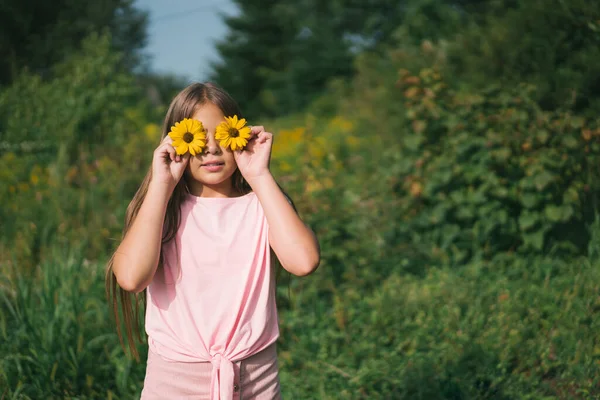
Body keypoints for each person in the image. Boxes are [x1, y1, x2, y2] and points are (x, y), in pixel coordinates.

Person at [105, 82, 320, 399]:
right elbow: (131, 278)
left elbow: (303, 262)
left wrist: (259, 175)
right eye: (195, 137)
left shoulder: (262, 204)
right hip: (175, 382)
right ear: (176, 142)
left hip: (256, 380)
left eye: (223, 135)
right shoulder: (161, 211)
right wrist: (161, 186)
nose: (211, 149)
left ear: (239, 134)